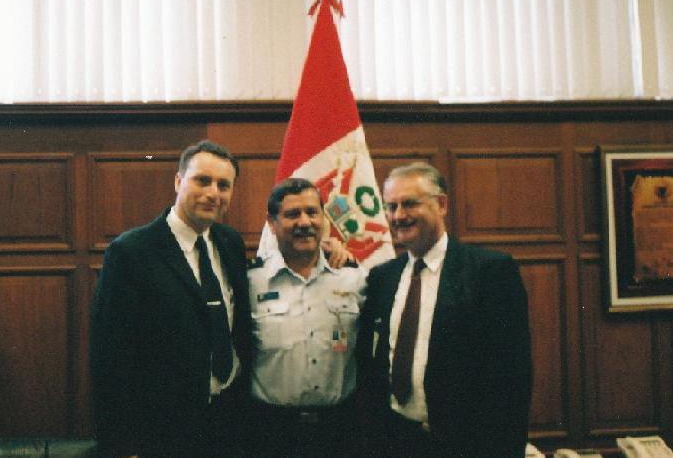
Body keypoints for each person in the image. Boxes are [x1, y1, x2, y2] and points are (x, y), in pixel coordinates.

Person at [357, 162, 532, 458]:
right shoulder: (382, 278)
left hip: (466, 446)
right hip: (396, 442)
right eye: (391, 206)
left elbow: (512, 378)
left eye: (410, 203)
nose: (399, 216)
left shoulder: (489, 272)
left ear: (441, 205)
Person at [90, 140, 252, 458]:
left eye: (223, 185)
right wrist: (122, 445)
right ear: (178, 181)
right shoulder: (132, 252)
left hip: (228, 424)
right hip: (161, 433)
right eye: (202, 180)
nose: (213, 193)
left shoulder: (230, 243)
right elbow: (109, 357)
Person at [247, 177, 367, 457]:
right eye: (292, 214)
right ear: (272, 222)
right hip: (270, 432)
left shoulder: (353, 279)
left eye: (312, 212)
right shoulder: (250, 282)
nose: (304, 222)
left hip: (340, 430)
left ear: (323, 217)